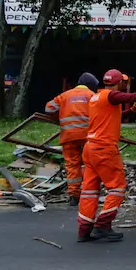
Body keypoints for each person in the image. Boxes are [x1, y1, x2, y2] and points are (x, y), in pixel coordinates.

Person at [77, 69, 136, 243]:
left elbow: (112, 116)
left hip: (90, 148)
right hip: (104, 149)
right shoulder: (111, 96)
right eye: (123, 82)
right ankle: (103, 226)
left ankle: (84, 229)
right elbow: (130, 96)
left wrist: (132, 111)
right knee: (117, 187)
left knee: (89, 191)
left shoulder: (96, 98)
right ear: (119, 83)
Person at [44, 73, 98, 206]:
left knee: (73, 166)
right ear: (90, 85)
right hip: (88, 136)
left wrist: (58, 118)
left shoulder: (65, 95)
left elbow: (48, 108)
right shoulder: (92, 96)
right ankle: (89, 193)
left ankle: (74, 195)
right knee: (90, 164)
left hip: (69, 136)